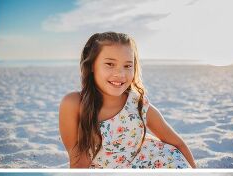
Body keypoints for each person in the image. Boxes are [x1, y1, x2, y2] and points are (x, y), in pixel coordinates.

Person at [59, 32, 196, 168]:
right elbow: (77, 160)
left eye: (128, 66)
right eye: (110, 64)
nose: (120, 74)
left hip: (158, 161)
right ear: (92, 66)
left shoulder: (137, 103)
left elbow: (177, 143)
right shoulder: (74, 103)